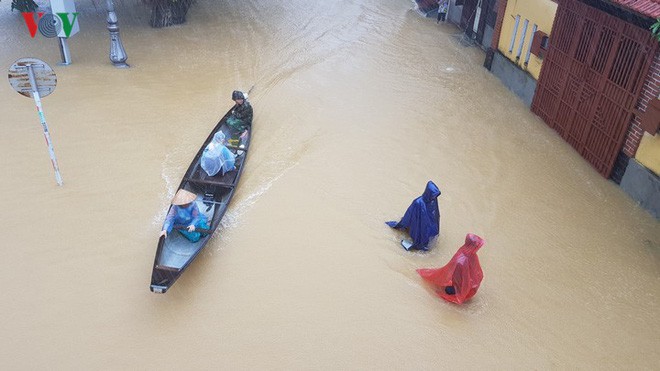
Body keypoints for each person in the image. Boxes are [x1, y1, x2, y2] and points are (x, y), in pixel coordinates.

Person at [417, 233, 485, 304]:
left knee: (446, 290)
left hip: (464, 286)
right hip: (471, 287)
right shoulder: (471, 256)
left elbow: (458, 278)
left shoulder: (464, 254)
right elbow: (477, 273)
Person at [386, 181, 441, 251]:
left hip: (425, 226)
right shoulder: (418, 202)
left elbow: (435, 217)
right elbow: (410, 214)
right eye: (433, 196)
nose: (434, 198)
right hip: (418, 225)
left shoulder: (432, 202)